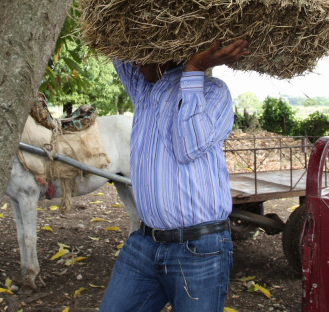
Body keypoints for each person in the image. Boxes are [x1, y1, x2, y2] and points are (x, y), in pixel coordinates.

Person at [99, 39, 249, 312]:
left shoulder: (214, 92)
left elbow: (188, 147)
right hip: (144, 244)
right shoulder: (144, 90)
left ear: (167, 53)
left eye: (144, 54)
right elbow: (113, 43)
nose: (136, 62)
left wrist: (194, 69)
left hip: (199, 248)